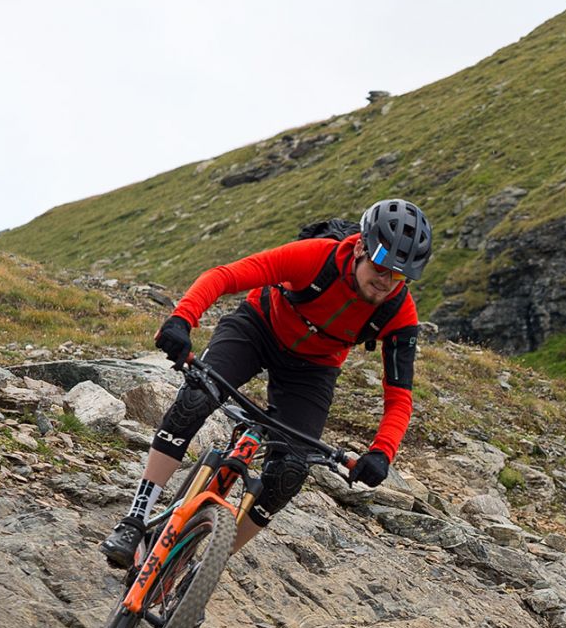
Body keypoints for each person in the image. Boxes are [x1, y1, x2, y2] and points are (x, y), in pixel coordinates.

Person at [100, 199, 433, 568]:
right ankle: (135, 518)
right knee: (196, 398)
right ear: (360, 247)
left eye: (399, 276)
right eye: (381, 266)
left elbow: (400, 397)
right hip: (258, 328)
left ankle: (198, 570)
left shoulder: (398, 312)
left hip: (312, 370)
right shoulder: (315, 258)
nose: (386, 282)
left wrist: (382, 453)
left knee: (289, 473)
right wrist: (182, 319)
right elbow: (224, 276)